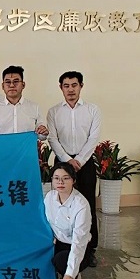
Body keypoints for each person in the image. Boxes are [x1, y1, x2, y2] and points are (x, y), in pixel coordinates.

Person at [46, 70, 102, 266]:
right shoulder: (53, 111)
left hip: (84, 163)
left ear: (81, 86)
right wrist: (67, 160)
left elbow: (93, 138)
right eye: (66, 86)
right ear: (61, 88)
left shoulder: (92, 110)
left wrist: (79, 160)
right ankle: (61, 245)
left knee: (88, 204)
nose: (70, 90)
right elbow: (52, 138)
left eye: (74, 85)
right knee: (59, 204)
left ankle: (90, 249)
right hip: (62, 163)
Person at [44, 162, 92, 279]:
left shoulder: (81, 205)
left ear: (73, 180)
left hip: (77, 246)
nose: (60, 182)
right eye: (56, 178)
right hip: (57, 242)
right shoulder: (49, 197)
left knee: (60, 260)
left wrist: (70, 274)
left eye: (66, 178)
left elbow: (79, 242)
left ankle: (75, 278)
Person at [0, 65, 49, 138]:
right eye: (8, 82)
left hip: (26, 146)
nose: (12, 85)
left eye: (16, 81)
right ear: (3, 86)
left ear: (23, 85)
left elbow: (41, 136)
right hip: (2, 146)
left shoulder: (34, 107)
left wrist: (43, 132)